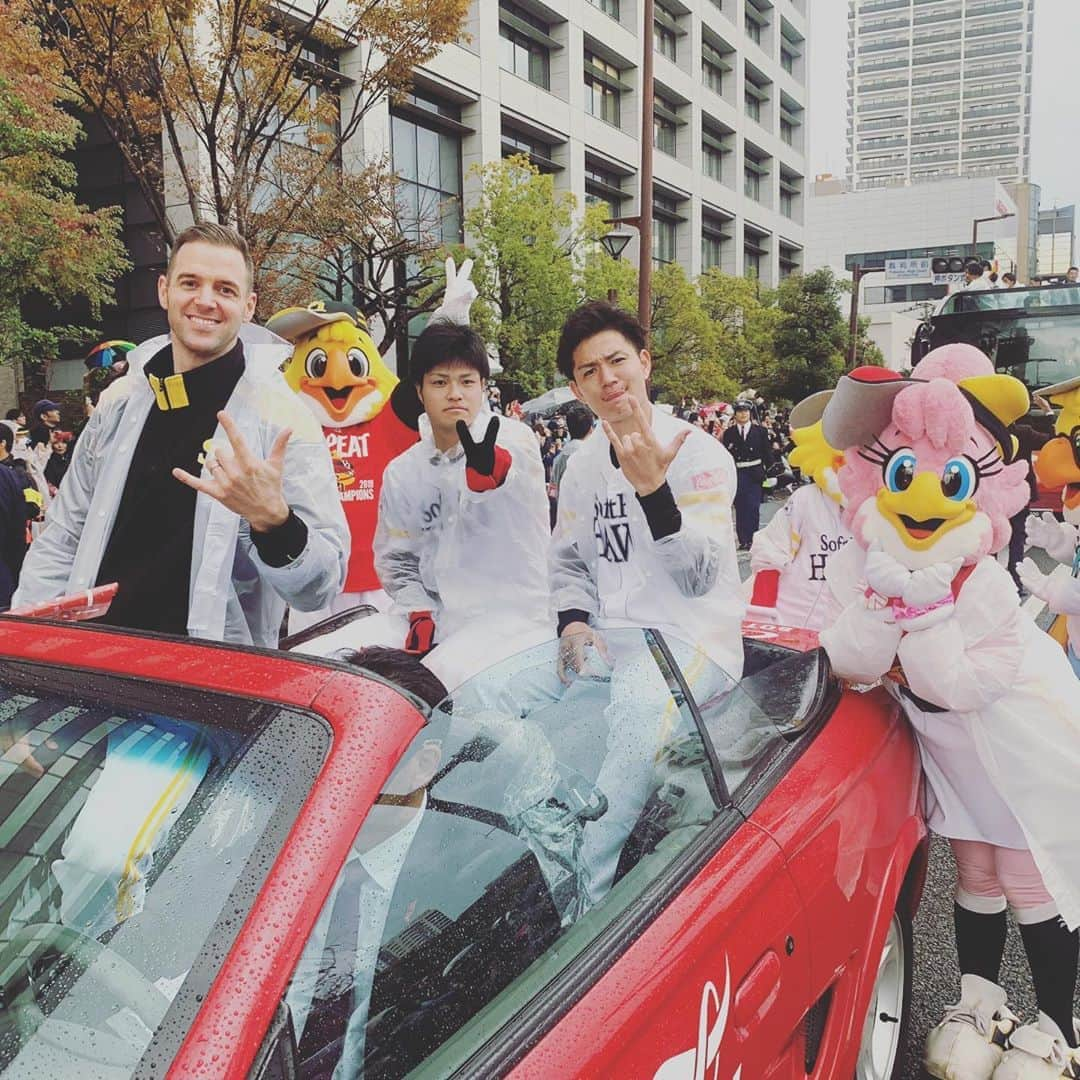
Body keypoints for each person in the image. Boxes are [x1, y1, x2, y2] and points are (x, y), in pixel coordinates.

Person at [818, 350, 1080, 1078]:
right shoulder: (875, 566)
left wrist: (921, 611)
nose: (925, 493)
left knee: (1032, 879)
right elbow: (850, 658)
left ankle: (1059, 1024)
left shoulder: (980, 582)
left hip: (1016, 745)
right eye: (904, 470)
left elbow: (963, 683)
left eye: (952, 473)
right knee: (974, 871)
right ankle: (978, 999)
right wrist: (882, 605)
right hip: (952, 749)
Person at [12, 222, 349, 646]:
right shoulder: (121, 402)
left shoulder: (281, 419)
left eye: (225, 289)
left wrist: (275, 523)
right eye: (190, 283)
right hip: (95, 664)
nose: (205, 301)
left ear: (248, 306)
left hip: (208, 687)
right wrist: (25, 641)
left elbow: (320, 589)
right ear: (164, 291)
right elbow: (63, 537)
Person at [294, 321, 552, 693]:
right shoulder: (404, 471)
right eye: (440, 382)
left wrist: (487, 471)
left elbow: (506, 475)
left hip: (511, 616)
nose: (455, 394)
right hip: (434, 616)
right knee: (321, 663)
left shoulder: (513, 438)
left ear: (483, 387)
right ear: (419, 390)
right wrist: (418, 611)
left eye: (467, 381)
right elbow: (397, 558)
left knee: (430, 684)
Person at [722, 400, 773, 549]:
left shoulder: (760, 431)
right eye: (740, 411)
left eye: (746, 411)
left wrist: (771, 473)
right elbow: (727, 455)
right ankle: (743, 539)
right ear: (735, 414)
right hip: (738, 473)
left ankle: (753, 538)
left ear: (750, 413)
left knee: (753, 507)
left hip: (755, 473)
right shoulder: (729, 433)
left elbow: (767, 453)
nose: (743, 414)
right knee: (740, 507)